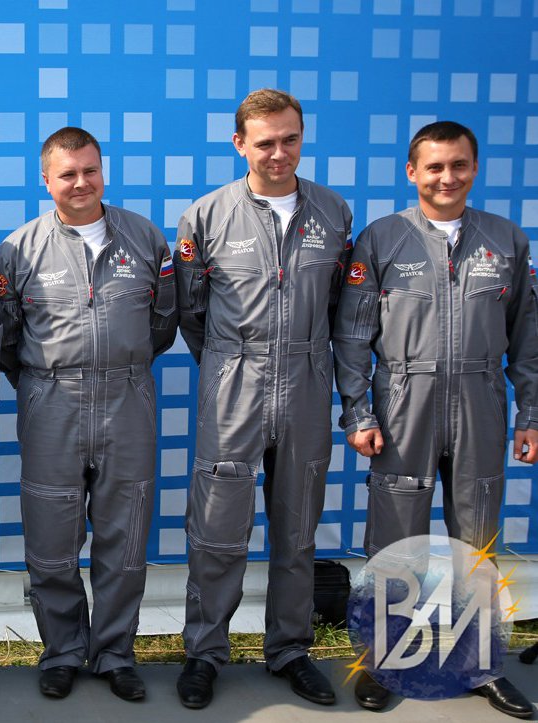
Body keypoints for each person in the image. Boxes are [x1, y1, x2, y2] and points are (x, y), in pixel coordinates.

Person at [334, 120, 538, 719]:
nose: (447, 177)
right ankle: (385, 662)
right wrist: (358, 413)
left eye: (459, 165)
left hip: (480, 400)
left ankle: (477, 666)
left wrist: (530, 412)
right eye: (434, 166)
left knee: (476, 540)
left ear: (474, 168)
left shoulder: (506, 240)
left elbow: (528, 337)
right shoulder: (382, 239)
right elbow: (352, 337)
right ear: (412, 172)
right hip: (404, 402)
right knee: (396, 544)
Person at [174, 89, 352, 709]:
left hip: (306, 380)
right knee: (218, 529)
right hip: (235, 382)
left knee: (297, 528)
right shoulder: (205, 217)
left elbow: (339, 305)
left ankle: (290, 650)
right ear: (240, 144)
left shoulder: (334, 212)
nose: (279, 153)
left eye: (290, 139)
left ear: (302, 137)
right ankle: (204, 653)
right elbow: (190, 310)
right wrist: (230, 362)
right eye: (265, 142)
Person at [0, 127, 178, 702]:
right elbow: (4, 338)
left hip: (127, 399)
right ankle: (63, 651)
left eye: (89, 170)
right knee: (51, 541)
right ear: (45, 180)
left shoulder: (145, 240)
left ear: (103, 171)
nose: (80, 183)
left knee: (124, 539)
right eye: (67, 174)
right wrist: (44, 381)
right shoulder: (18, 250)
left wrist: (120, 364)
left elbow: (164, 324)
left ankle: (115, 654)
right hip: (51, 402)